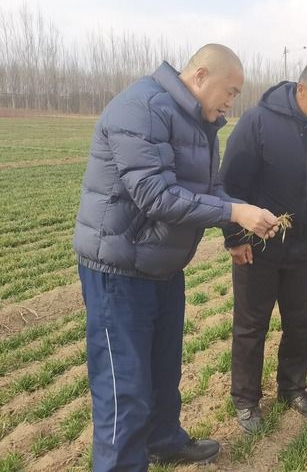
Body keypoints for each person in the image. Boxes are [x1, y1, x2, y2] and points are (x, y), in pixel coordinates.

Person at [73, 44, 279, 471]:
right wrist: (234, 212)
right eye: (230, 91)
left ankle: (163, 441)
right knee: (124, 387)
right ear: (201, 76)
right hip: (120, 268)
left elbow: (209, 189)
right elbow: (156, 196)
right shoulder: (141, 108)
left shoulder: (198, 122)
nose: (232, 101)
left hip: (163, 265)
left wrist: (239, 224)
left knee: (164, 372)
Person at [220, 58, 307, 434]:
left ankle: (293, 389)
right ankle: (246, 400)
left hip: (305, 250)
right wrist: (234, 239)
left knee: (300, 324)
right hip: (257, 249)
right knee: (251, 327)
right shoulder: (259, 122)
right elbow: (230, 184)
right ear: (302, 90)